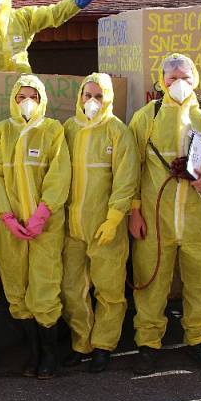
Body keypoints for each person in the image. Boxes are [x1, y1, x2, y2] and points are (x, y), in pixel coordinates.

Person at [128, 53, 201, 374]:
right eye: (172, 77)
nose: (178, 83)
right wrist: (134, 212)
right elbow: (130, 167)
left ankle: (199, 342)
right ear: (161, 80)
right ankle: (148, 343)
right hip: (155, 220)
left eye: (185, 77)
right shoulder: (146, 116)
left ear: (196, 79)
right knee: (150, 283)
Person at [0, 74, 71, 379]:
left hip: (45, 227)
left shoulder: (52, 130)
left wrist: (42, 213)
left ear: (42, 99)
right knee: (17, 290)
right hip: (12, 229)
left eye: (32, 96)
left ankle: (50, 356)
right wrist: (6, 216)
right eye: (20, 97)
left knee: (45, 288)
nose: (26, 102)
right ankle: (33, 353)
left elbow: (59, 175)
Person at [60, 73, 137, 373]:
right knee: (71, 288)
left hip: (106, 226)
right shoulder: (69, 129)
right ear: (79, 97)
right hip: (72, 226)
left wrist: (115, 217)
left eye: (98, 96)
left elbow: (126, 178)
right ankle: (82, 343)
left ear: (109, 99)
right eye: (87, 95)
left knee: (109, 289)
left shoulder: (118, 131)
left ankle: (104, 345)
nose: (92, 102)